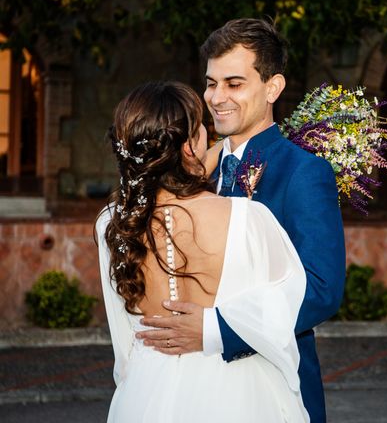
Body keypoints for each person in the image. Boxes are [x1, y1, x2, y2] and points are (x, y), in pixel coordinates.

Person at [136, 19, 346, 422]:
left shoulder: (303, 171)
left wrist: (217, 330)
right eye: (211, 83)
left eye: (234, 83)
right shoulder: (194, 169)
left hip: (273, 384)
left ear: (273, 88)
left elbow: (321, 288)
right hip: (189, 391)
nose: (216, 97)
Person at [96, 81, 309, 422]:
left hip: (144, 390)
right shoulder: (249, 218)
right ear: (190, 145)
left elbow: (122, 340)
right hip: (239, 394)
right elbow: (283, 311)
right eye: (203, 132)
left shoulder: (113, 223)